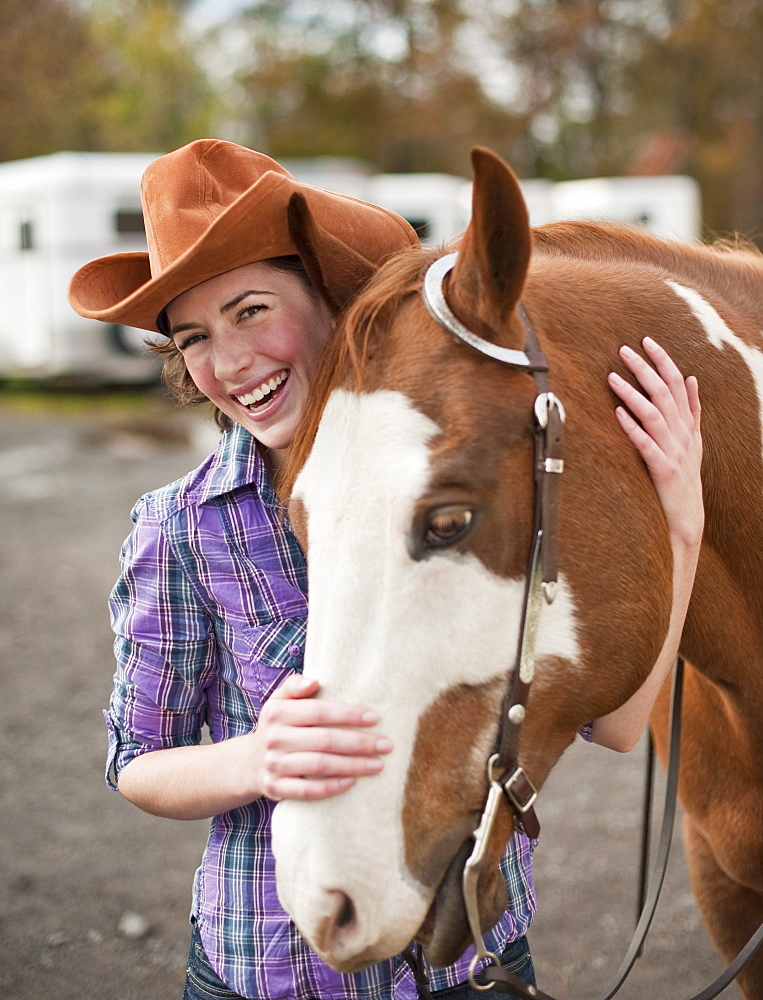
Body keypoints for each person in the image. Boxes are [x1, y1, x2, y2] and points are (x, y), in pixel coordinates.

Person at [68, 139, 704, 1000]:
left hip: (473, 956)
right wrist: (257, 759)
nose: (229, 360)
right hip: (274, 969)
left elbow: (621, 727)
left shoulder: (457, 491)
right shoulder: (181, 527)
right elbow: (137, 763)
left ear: (331, 300)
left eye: (251, 309)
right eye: (194, 337)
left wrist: (681, 524)